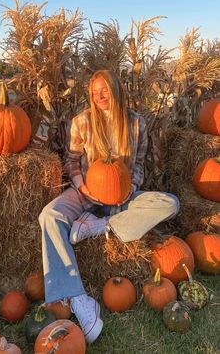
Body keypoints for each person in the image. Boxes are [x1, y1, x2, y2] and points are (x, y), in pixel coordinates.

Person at [39, 69, 180, 344]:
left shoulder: (136, 123)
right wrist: (83, 188)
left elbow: (137, 165)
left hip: (122, 199)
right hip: (85, 192)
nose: (99, 96)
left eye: (104, 90)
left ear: (116, 90)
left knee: (170, 203)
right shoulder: (82, 122)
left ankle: (102, 225)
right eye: (94, 92)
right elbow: (72, 160)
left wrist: (128, 192)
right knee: (49, 215)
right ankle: (79, 299)